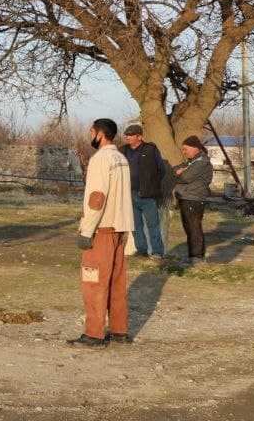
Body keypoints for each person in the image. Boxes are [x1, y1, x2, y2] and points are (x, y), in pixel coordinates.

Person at [69, 118, 135, 348]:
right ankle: (119, 331)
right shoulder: (121, 159)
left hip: (102, 230)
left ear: (99, 134)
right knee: (117, 283)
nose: (89, 135)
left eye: (91, 131)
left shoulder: (100, 159)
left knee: (94, 281)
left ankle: (94, 334)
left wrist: (87, 229)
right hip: (120, 229)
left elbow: (97, 198)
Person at [120, 124, 168, 259]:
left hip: (147, 195)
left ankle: (158, 252)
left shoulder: (151, 149)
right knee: (135, 225)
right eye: (127, 135)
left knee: (153, 224)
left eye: (131, 135)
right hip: (128, 194)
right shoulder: (123, 150)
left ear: (139, 136)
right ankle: (141, 251)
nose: (128, 137)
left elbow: (161, 170)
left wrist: (152, 185)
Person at [172, 135, 214, 267]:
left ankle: (197, 257)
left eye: (186, 149)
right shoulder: (191, 161)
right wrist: (178, 171)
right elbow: (174, 170)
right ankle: (192, 256)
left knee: (194, 228)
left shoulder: (201, 162)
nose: (183, 152)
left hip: (194, 198)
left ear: (196, 148)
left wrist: (181, 172)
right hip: (186, 197)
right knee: (189, 228)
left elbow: (186, 177)